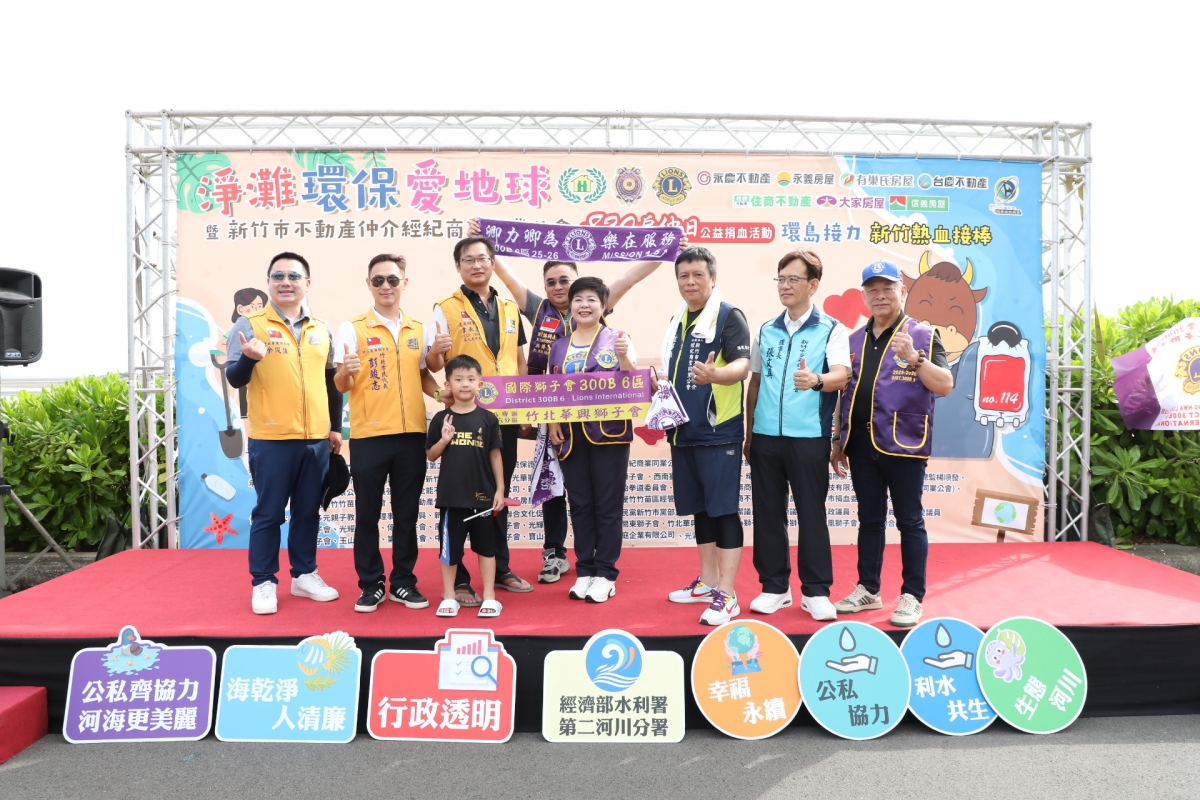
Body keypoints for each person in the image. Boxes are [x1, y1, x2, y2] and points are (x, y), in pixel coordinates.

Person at [472, 218, 677, 584]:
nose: (558, 287)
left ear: (584, 287)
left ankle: (601, 566)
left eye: (564, 280)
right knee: (553, 482)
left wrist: (667, 248)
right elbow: (507, 277)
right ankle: (554, 553)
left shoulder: (595, 307)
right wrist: (485, 241)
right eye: (551, 281)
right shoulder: (538, 309)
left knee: (596, 494)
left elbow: (630, 277)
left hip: (600, 422)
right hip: (551, 416)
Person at [832, 260, 954, 627]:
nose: (880, 295)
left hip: (904, 443)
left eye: (887, 288)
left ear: (902, 291)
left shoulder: (923, 335)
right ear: (864, 296)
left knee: (910, 521)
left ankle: (912, 596)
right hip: (860, 443)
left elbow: (945, 385)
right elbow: (843, 394)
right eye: (872, 289)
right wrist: (837, 441)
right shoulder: (853, 341)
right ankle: (868, 589)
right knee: (869, 520)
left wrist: (914, 359)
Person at [226, 252, 343, 615]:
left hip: (316, 440)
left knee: (308, 512)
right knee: (269, 514)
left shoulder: (321, 328)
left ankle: (304, 575)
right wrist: (249, 358)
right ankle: (263, 582)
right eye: (278, 276)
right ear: (269, 282)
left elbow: (331, 383)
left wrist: (334, 428)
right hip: (272, 439)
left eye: (294, 276)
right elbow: (235, 378)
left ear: (307, 283)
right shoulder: (249, 325)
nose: (286, 282)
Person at [743, 250, 850, 621]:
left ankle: (816, 592)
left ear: (813, 285)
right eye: (781, 279)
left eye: (793, 279)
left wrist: (816, 380)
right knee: (767, 514)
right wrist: (750, 432)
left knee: (811, 514)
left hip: (809, 437)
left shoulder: (832, 329)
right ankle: (774, 588)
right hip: (765, 436)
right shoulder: (766, 330)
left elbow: (842, 375)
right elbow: (755, 381)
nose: (785, 286)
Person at [334, 253, 443, 613]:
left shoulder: (417, 328)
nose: (386, 286)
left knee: (406, 515)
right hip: (369, 436)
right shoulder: (353, 328)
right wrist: (346, 370)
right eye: (378, 280)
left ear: (404, 284)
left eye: (392, 280)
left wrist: (441, 394)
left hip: (412, 435)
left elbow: (423, 375)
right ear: (369, 284)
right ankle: (371, 584)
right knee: (367, 515)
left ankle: (403, 582)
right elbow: (341, 383)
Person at [430, 235, 533, 604]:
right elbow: (431, 363)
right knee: (459, 497)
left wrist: (523, 407)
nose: (476, 265)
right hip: (464, 416)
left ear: (492, 263)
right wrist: (436, 355)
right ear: (458, 266)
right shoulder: (445, 308)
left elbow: (519, 360)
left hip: (503, 417)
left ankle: (500, 568)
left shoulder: (509, 307)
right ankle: (460, 579)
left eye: (482, 258)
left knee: (497, 493)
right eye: (468, 259)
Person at [661, 247, 752, 625]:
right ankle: (708, 582)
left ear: (713, 278)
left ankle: (728, 594)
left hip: (718, 433)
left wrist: (716, 375)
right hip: (684, 431)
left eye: (698, 274)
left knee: (723, 510)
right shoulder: (678, 319)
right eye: (683, 276)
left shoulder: (729, 316)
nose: (690, 282)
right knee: (701, 509)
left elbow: (743, 365)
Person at [546, 277, 637, 603]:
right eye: (578, 299)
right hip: (570, 436)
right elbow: (551, 388)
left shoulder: (619, 338)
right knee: (580, 504)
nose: (584, 305)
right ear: (570, 305)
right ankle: (585, 570)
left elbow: (632, 383)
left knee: (607, 506)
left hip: (609, 434)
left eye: (591, 299)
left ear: (603, 305)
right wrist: (552, 420)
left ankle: (606, 573)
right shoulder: (559, 345)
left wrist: (624, 358)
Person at [425, 355, 506, 618]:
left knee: (486, 549)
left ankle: (490, 597)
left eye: (471, 379)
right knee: (450, 552)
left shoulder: (488, 418)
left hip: (483, 498)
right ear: (448, 384)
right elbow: (431, 455)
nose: (465, 384)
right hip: (452, 499)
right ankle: (449, 596)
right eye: (458, 379)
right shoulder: (441, 419)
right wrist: (444, 440)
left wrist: (500, 490)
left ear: (480, 384)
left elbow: (496, 455)